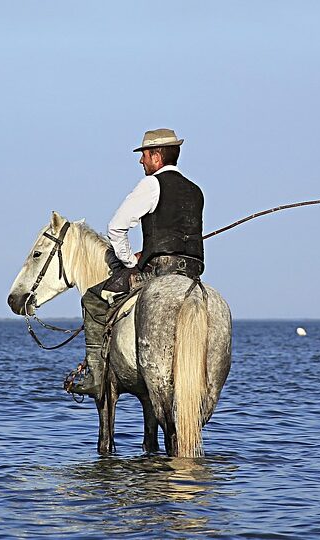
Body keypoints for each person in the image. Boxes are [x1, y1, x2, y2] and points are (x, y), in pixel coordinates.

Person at [66, 128, 206, 397]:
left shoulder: (152, 185)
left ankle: (96, 377)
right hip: (192, 277)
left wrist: (131, 260)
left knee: (92, 300)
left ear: (156, 155)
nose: (140, 161)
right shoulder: (196, 191)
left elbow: (116, 227)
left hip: (158, 273)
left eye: (143, 155)